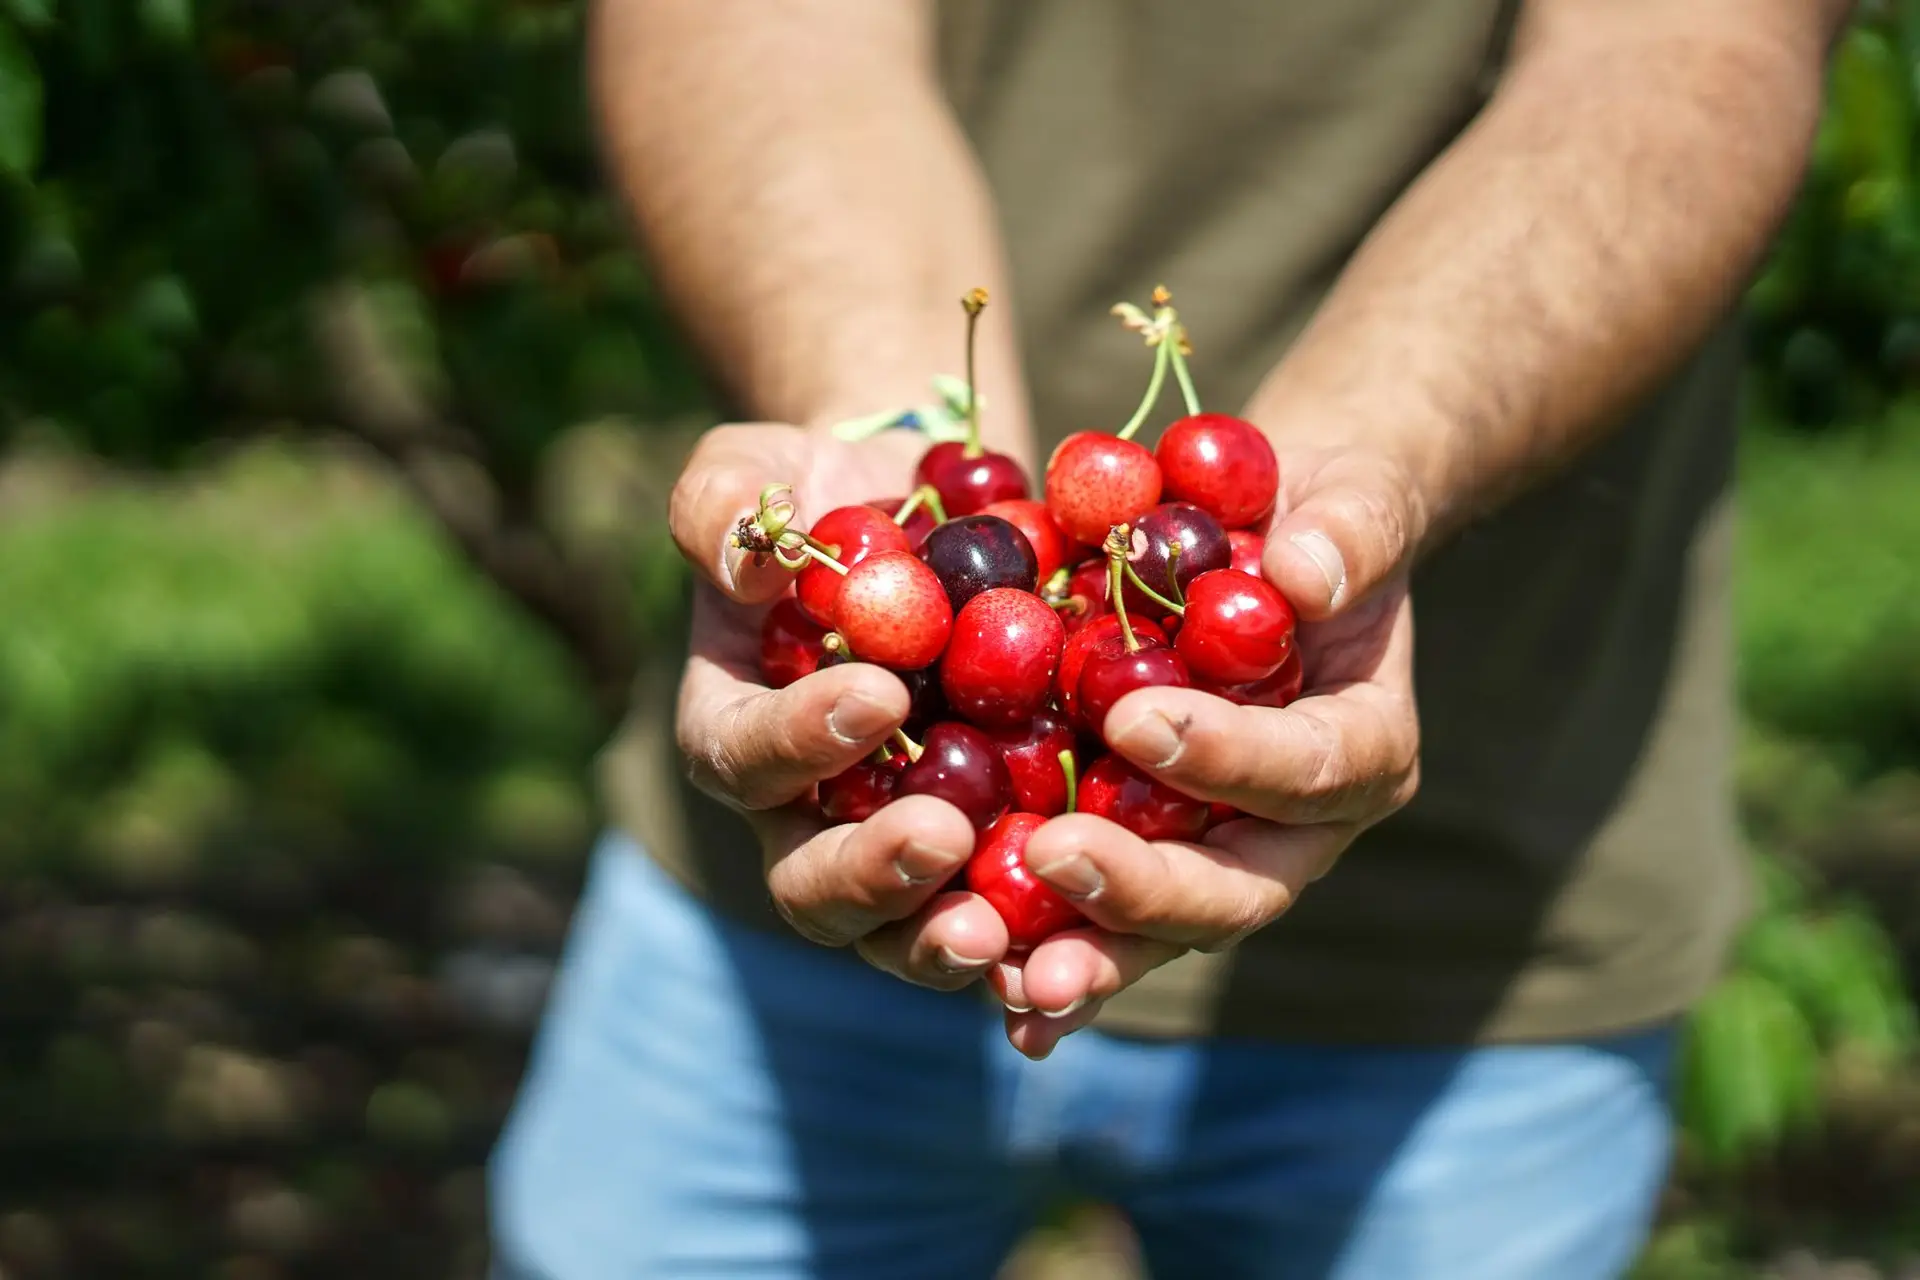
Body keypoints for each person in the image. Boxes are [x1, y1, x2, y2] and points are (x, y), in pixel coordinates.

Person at [488, 2, 1854, 1276]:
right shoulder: (941, 599)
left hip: (1481, 948)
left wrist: (1367, 487)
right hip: (795, 904)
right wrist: (884, 426)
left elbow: (1690, 47)